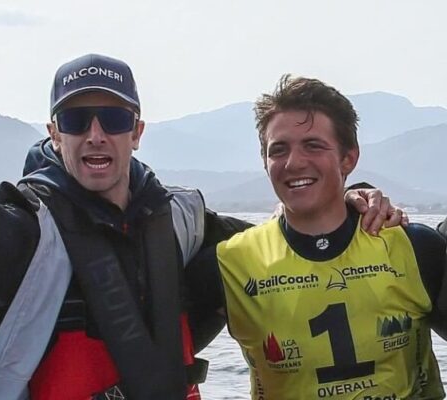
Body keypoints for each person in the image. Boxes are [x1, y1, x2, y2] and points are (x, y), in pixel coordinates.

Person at [0, 53, 400, 400]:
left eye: (113, 118)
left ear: (137, 132)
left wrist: (352, 198)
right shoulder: (28, 229)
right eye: (76, 120)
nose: (95, 134)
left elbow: (281, 239)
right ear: (54, 134)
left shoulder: (181, 221)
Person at [188, 75, 447, 399]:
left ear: (348, 157)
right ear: (265, 163)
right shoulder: (227, 265)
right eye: (278, 150)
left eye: (313, 145)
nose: (294, 162)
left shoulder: (416, 248)